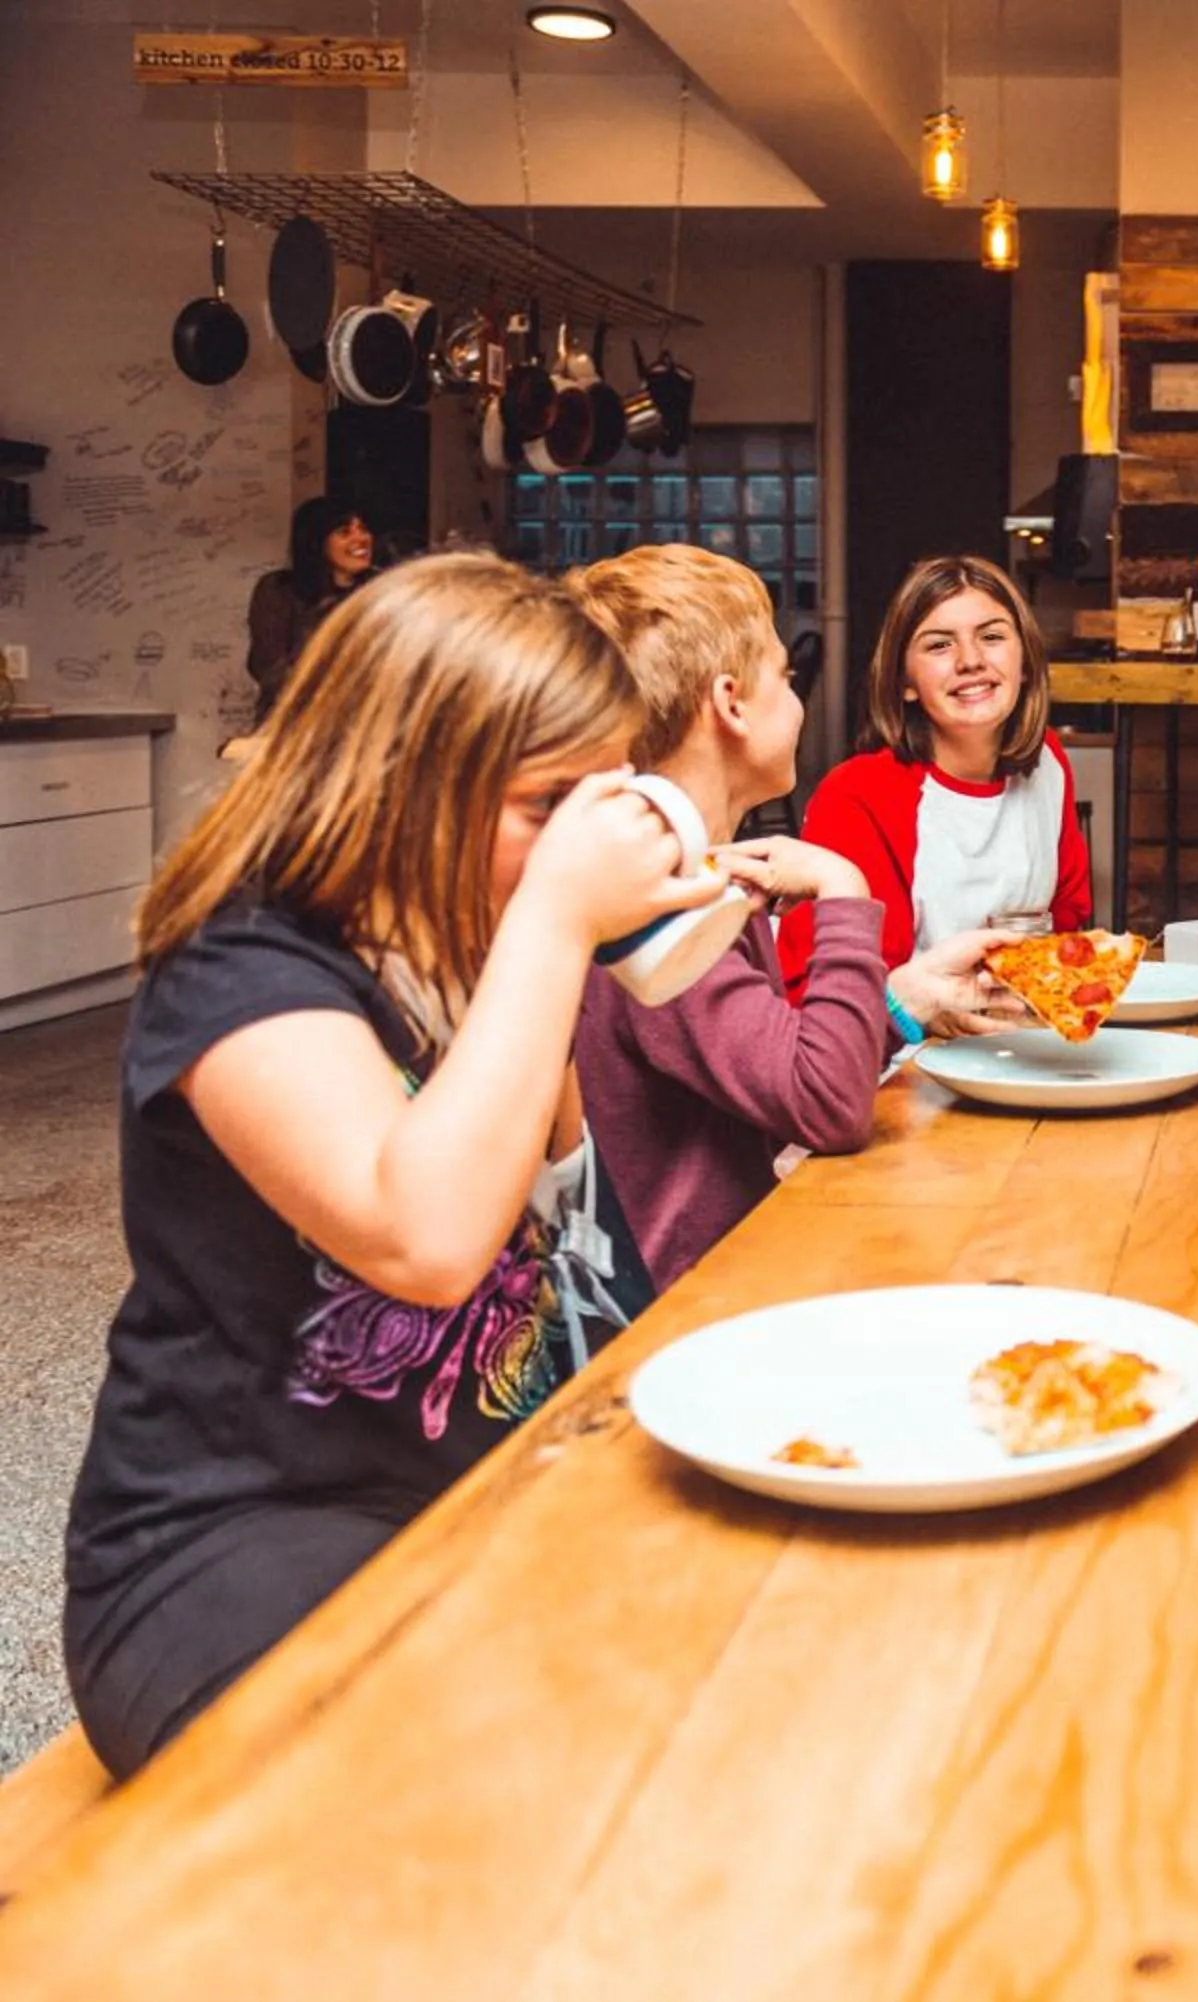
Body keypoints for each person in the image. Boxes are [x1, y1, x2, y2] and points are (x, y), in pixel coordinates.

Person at [63, 552, 713, 1778]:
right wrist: (558, 921)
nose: (576, 843)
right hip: (238, 1547)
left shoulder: (475, 951)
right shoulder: (241, 968)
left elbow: (580, 1263)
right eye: (547, 806)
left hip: (471, 1489)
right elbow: (425, 1240)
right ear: (407, 781)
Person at [567, 545, 1013, 1296]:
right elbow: (824, 1108)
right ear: (732, 704)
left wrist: (903, 1001)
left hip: (731, 1267)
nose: (798, 702)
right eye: (785, 677)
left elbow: (771, 1084)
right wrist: (844, 889)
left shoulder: (692, 869)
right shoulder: (664, 896)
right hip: (691, 1305)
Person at [778, 554, 1091, 995]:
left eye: (992, 637)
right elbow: (818, 992)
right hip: (902, 1036)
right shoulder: (857, 796)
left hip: (1024, 1023)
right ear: (905, 681)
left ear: (1024, 663)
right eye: (939, 645)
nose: (971, 660)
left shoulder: (1048, 761)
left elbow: (1067, 918)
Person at [244, 497, 376, 725]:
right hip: (295, 722)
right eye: (344, 532)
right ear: (317, 541)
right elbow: (269, 666)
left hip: (365, 723)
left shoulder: (379, 591)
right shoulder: (279, 590)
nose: (360, 539)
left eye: (363, 529)